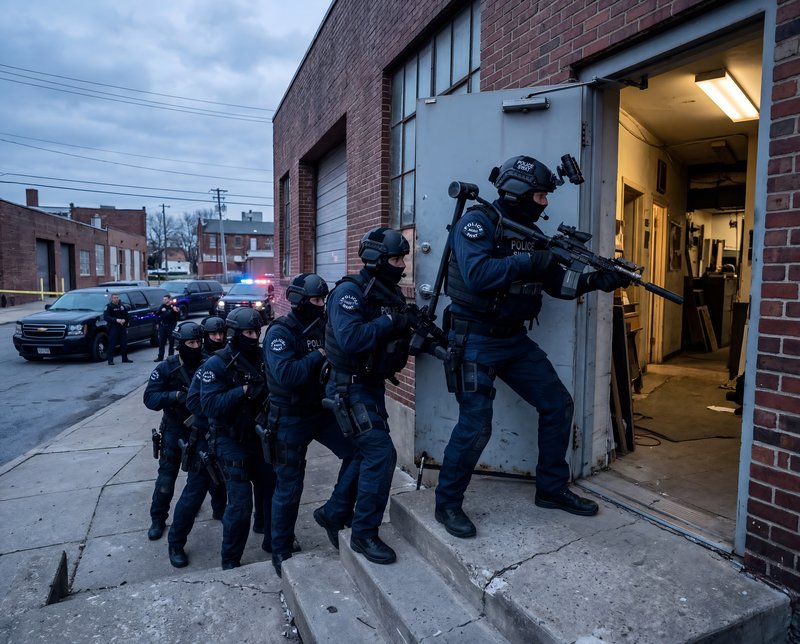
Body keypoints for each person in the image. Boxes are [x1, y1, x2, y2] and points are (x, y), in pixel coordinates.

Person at [434, 155, 631, 538]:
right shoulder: (477, 223)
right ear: (519, 191)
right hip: (473, 339)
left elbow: (559, 285)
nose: (544, 203)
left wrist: (599, 281)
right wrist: (532, 260)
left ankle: (551, 489)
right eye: (540, 195)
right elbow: (477, 276)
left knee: (558, 404)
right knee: (476, 426)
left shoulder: (531, 232)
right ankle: (447, 505)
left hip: (512, 340)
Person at [324, 227, 413, 565]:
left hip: (371, 386)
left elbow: (398, 335)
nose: (401, 264)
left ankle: (333, 512)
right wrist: (391, 321)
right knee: (381, 455)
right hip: (349, 388)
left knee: (365, 456)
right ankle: (363, 533)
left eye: (403, 258)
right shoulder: (350, 292)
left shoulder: (387, 292)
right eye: (395, 258)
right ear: (376, 260)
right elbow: (351, 339)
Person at [265, 273, 360, 577]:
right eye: (316, 301)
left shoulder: (325, 325)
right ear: (299, 301)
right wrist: (320, 354)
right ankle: (281, 548)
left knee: (359, 451)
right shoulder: (280, 332)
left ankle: (335, 512)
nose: (321, 306)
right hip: (289, 417)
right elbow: (288, 375)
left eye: (323, 300)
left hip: (320, 411)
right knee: (289, 485)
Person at [199, 307, 277, 569]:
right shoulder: (216, 364)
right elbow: (208, 405)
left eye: (257, 331)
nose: (254, 337)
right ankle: (230, 559)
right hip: (230, 440)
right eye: (248, 332)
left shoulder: (264, 356)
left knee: (272, 491)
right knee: (240, 504)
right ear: (234, 333)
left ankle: (271, 538)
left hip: (260, 436)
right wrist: (242, 391)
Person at [165, 320, 229, 568]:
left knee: (228, 487)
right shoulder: (203, 368)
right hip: (203, 436)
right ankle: (176, 541)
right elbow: (196, 404)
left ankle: (221, 512)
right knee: (194, 492)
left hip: (226, 435)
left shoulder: (219, 361)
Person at [143, 321, 205, 542]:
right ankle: (158, 519)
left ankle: (192, 508)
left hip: (199, 431)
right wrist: (174, 396)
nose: (195, 346)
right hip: (173, 430)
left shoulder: (207, 364)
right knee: (166, 479)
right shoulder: (166, 368)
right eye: (191, 342)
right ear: (181, 344)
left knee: (199, 479)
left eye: (199, 342)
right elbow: (149, 398)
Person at [104, 292, 132, 365]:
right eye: (115, 298)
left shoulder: (122, 306)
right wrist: (116, 320)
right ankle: (110, 360)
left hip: (122, 327)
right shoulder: (109, 306)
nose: (116, 299)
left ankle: (125, 358)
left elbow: (127, 315)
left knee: (124, 343)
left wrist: (125, 320)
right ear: (112, 299)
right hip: (114, 327)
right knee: (112, 344)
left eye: (117, 297)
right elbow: (106, 317)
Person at [155, 294, 181, 361]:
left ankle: (170, 357)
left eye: (165, 299)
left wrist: (176, 311)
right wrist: (161, 311)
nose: (164, 300)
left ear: (169, 299)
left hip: (171, 327)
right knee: (161, 343)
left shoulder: (173, 306)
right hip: (163, 327)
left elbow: (178, 315)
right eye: (163, 299)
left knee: (171, 343)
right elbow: (157, 314)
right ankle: (160, 357)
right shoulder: (162, 306)